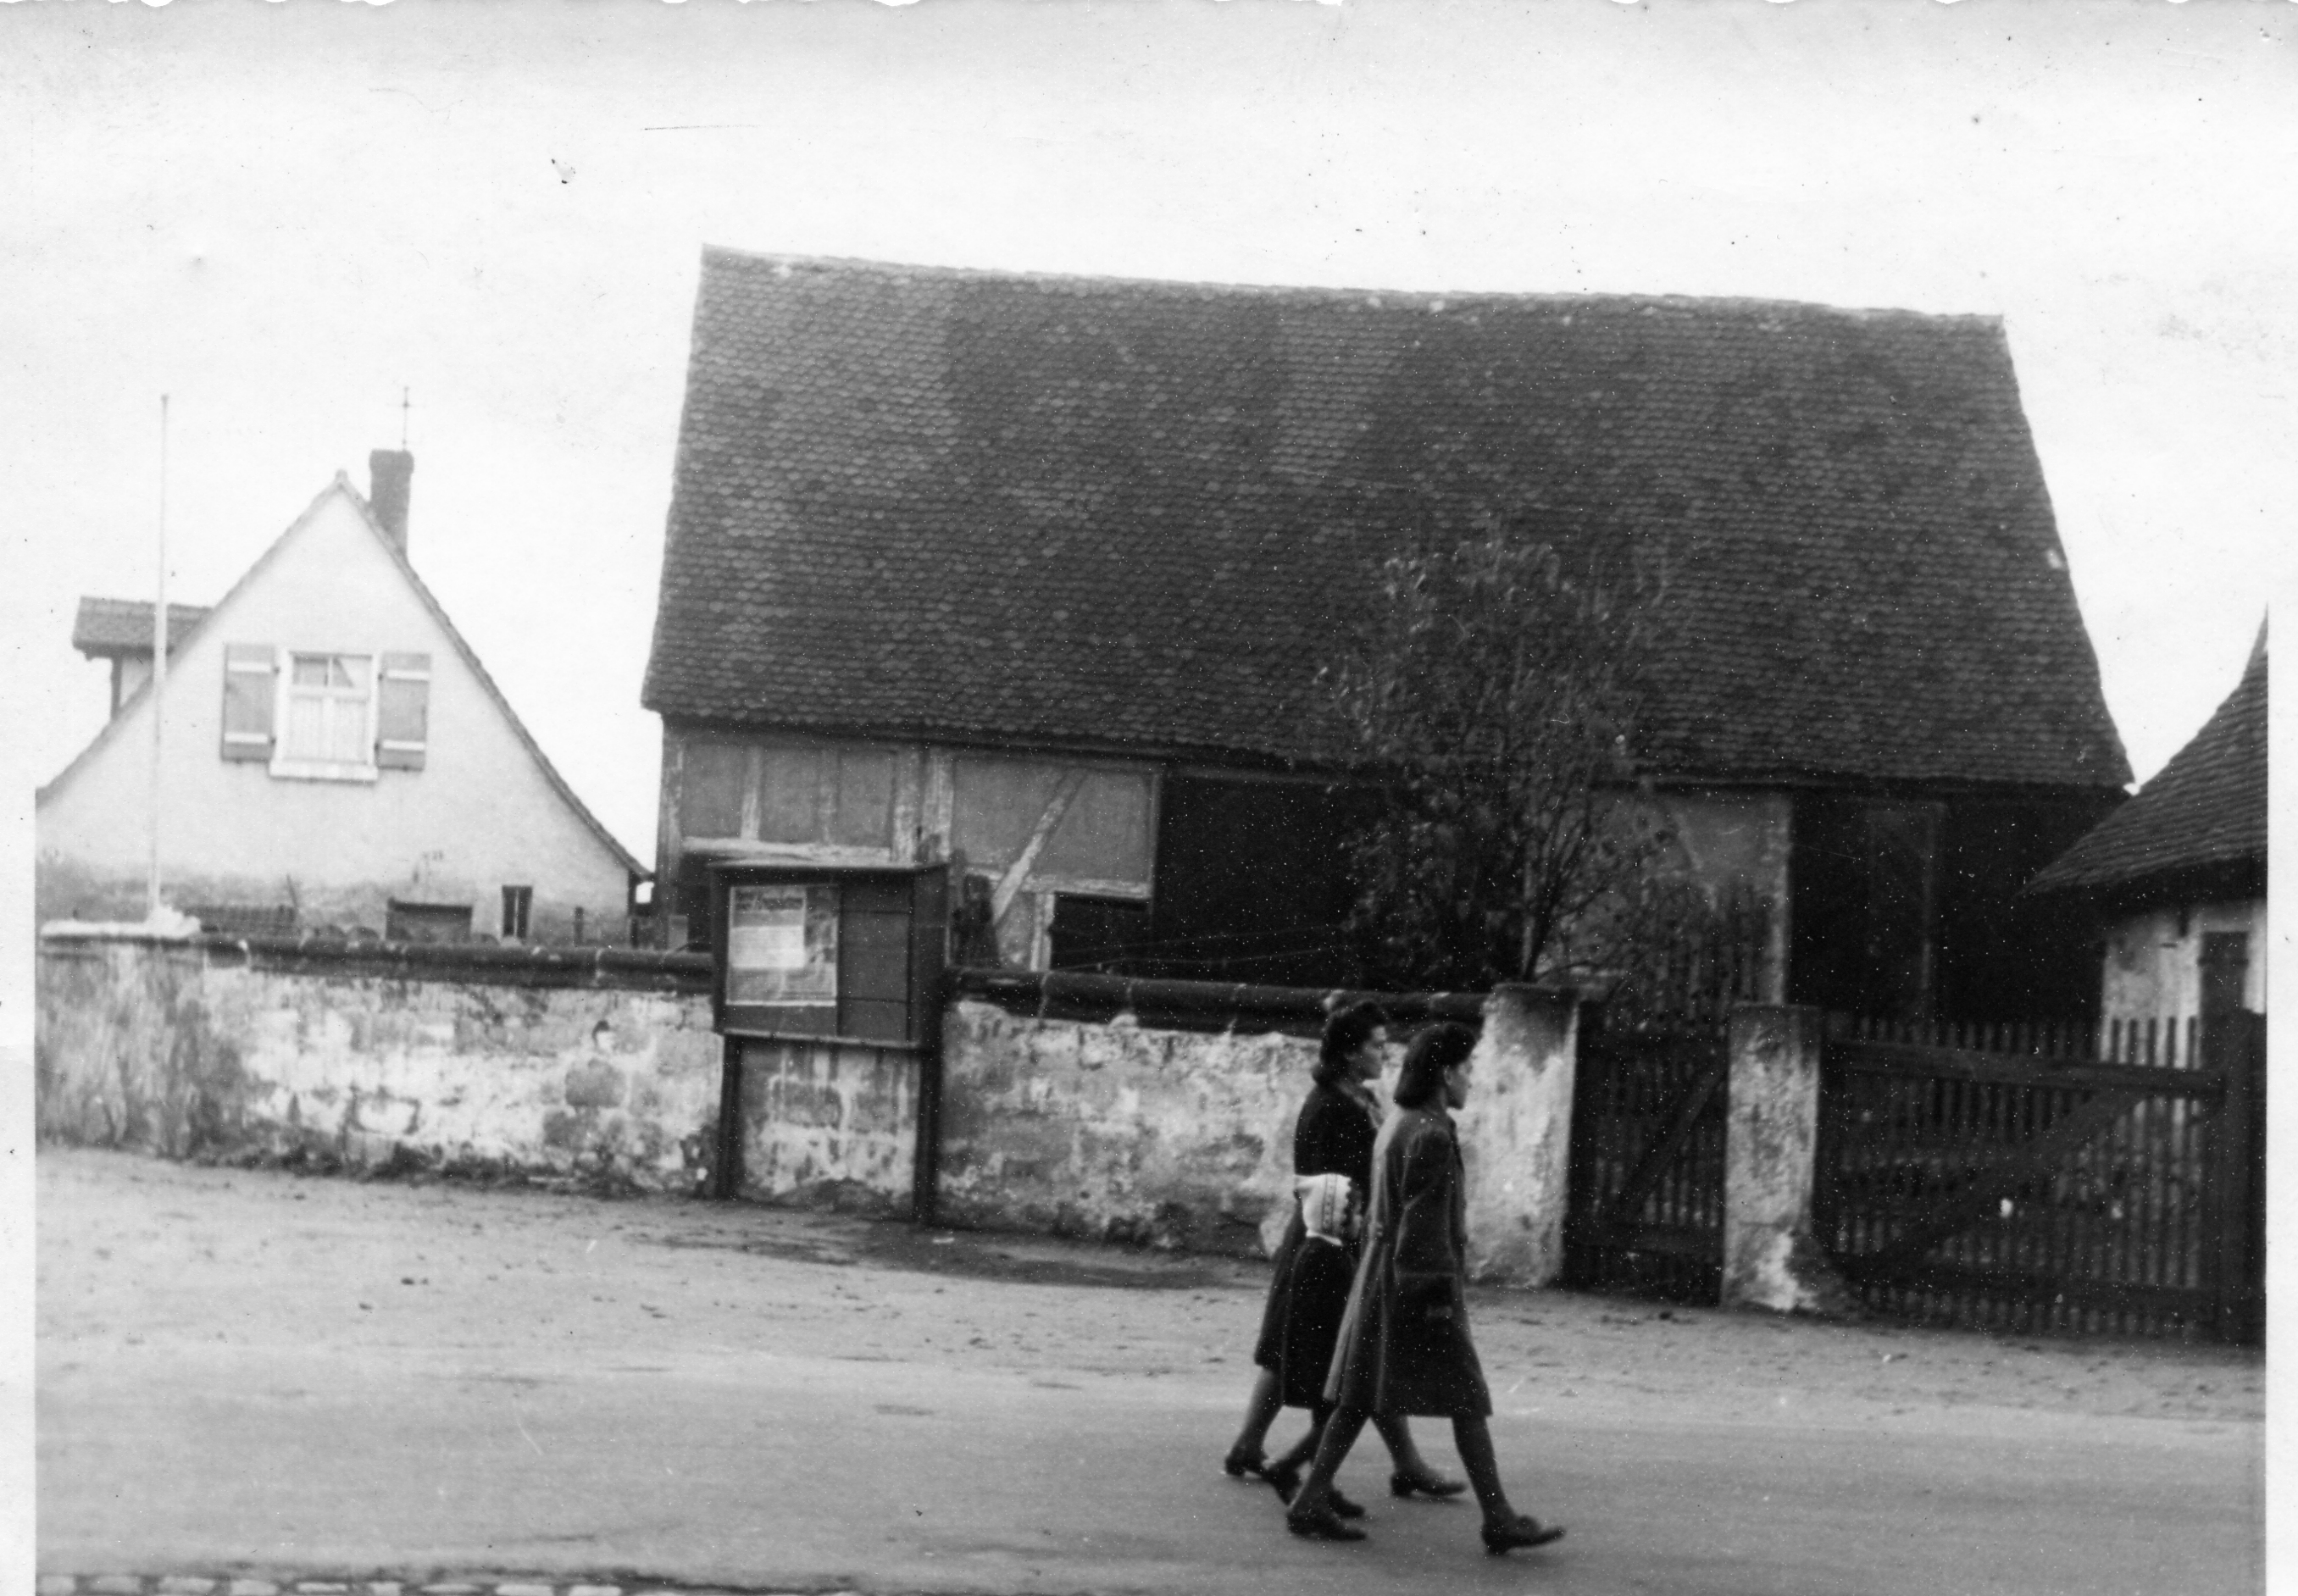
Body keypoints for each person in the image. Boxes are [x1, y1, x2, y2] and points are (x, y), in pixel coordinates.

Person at [1282, 1022, 1564, 1556]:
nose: (1471, 1079)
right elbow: (1424, 1228)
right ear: (1445, 1073)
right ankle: (1498, 1517)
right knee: (1467, 1399)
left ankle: (1310, 1498)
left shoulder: (1399, 1122)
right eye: (1467, 1069)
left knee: (1358, 1396)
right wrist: (1434, 1299)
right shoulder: (1431, 1134)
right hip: (1418, 1284)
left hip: (1380, 1275)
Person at [1223, 1000, 1467, 1516]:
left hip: (1333, 1236)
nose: (1385, 1052)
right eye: (1376, 1044)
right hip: (1330, 1238)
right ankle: (1380, 1465)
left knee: (1305, 1350)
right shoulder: (1332, 1107)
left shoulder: (1354, 1100)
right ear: (1351, 1053)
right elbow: (1323, 1188)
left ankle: (1253, 1445)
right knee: (1344, 1360)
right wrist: (1350, 1241)